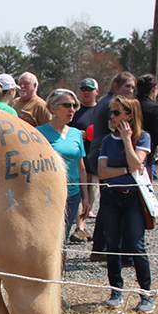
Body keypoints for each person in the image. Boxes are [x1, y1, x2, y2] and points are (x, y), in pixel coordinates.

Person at [98, 96, 154, 314]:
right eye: (111, 112)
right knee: (112, 246)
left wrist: (127, 140)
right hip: (111, 197)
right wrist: (126, 170)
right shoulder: (106, 141)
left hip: (133, 199)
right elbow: (103, 172)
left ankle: (147, 294)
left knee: (136, 246)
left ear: (129, 115)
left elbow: (137, 164)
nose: (111, 117)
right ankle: (115, 291)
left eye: (116, 112)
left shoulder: (143, 137)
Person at [87, 72, 136, 261]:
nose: (130, 91)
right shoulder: (113, 105)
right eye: (127, 86)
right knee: (110, 203)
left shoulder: (106, 102)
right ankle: (104, 248)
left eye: (132, 87)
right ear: (116, 85)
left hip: (98, 150)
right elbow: (114, 129)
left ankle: (100, 248)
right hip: (103, 152)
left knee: (106, 204)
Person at [38, 89, 90, 243]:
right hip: (49, 195)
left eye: (75, 106)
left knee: (63, 239)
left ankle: (61, 267)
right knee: (48, 238)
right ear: (53, 108)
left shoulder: (76, 134)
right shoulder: (39, 133)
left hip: (72, 195)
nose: (72, 109)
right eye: (67, 105)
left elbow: (81, 167)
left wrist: (85, 198)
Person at [70, 78, 100, 227]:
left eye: (90, 89)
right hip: (78, 158)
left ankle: (84, 221)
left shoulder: (102, 111)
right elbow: (64, 130)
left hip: (95, 156)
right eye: (83, 89)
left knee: (91, 189)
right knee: (80, 190)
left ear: (97, 92)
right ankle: (80, 227)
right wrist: (76, 133)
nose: (86, 92)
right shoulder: (74, 112)